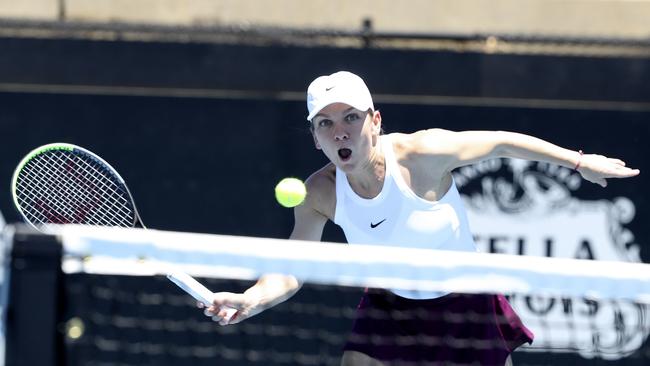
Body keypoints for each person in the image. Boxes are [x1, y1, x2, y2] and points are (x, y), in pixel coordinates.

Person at [201, 71, 640, 365]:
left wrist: (580, 164)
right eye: (326, 124)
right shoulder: (319, 193)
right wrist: (253, 298)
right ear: (316, 138)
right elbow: (292, 269)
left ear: (375, 122)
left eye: (351, 118)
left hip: (466, 302)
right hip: (390, 305)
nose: (340, 132)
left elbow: (502, 142)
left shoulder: (423, 154)